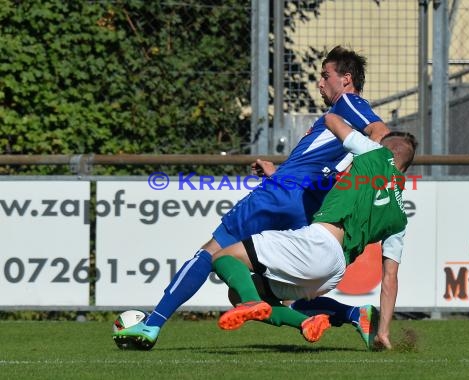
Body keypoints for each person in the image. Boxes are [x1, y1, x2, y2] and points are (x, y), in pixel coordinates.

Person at [113, 46, 390, 350]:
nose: (320, 83)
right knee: (270, 293)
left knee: (209, 254)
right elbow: (316, 164)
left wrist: (354, 170)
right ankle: (351, 314)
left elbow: (380, 132)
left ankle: (152, 324)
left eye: (326, 76)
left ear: (346, 79)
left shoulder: (349, 102)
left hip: (280, 196)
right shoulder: (335, 117)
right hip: (305, 204)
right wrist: (278, 171)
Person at [211, 113, 417, 349]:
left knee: (223, 257)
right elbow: (390, 279)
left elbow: (331, 120)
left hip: (318, 243)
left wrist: (360, 120)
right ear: (404, 170)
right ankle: (306, 322)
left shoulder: (372, 152)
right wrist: (383, 333)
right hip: (333, 273)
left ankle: (251, 303)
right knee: (236, 295)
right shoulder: (399, 218)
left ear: (381, 147)